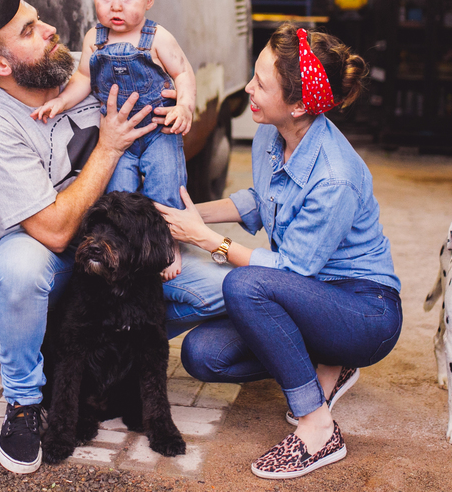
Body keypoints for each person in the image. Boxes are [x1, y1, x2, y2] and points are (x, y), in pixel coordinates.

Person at [0, 0, 229, 475]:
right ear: (0, 64)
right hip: (48, 249)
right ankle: (24, 402)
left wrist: (174, 106)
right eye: (30, 30)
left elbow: (164, 103)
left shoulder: (95, 64)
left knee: (225, 290)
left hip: (122, 250)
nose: (50, 29)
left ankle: (118, 348)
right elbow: (54, 231)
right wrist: (109, 146)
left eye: (39, 19)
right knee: (18, 272)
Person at [155, 24, 402, 480]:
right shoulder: (273, 135)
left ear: (299, 105)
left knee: (244, 285)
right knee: (202, 354)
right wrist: (187, 217)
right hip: (307, 298)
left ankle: (317, 427)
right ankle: (326, 365)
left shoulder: (335, 176)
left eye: (260, 83)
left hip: (363, 311)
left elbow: (293, 269)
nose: (248, 88)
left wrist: (208, 241)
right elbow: (261, 199)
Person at [31, 0, 196, 279]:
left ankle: (170, 245)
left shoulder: (157, 38)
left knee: (165, 189)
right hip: (119, 140)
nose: (116, 6)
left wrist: (184, 105)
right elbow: (83, 77)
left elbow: (183, 73)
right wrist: (62, 101)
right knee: (118, 196)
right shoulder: (95, 38)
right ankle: (124, 251)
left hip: (159, 132)